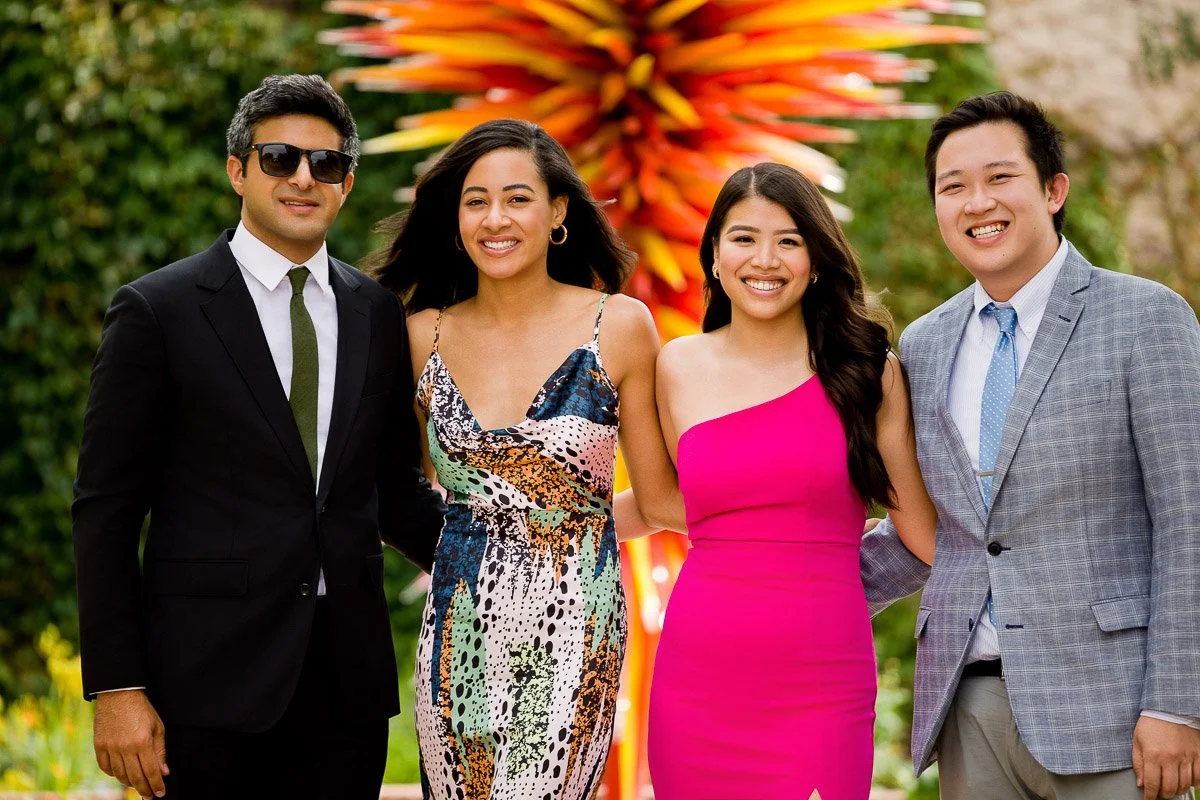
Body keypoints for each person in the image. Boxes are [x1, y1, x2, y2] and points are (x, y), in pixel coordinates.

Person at [72, 74, 446, 800]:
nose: (304, 177)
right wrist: (117, 685)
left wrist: (513, 561)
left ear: (346, 184)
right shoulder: (158, 310)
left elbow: (397, 492)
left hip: (347, 690)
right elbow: (106, 509)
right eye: (280, 158)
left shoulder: (376, 312)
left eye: (325, 163)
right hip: (204, 686)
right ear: (237, 171)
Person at [861, 91, 1200, 800]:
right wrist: (786, 583)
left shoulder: (1145, 318)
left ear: (1053, 190)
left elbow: (1188, 520)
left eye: (1000, 177)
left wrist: (1178, 704)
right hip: (970, 707)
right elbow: (941, 531)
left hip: (1116, 714)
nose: (977, 202)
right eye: (953, 186)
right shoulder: (924, 344)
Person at [371, 118, 682, 800]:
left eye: (517, 198)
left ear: (558, 210)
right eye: (476, 201)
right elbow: (395, 489)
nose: (495, 219)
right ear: (455, 219)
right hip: (457, 636)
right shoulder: (421, 334)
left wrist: (801, 520)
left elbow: (661, 500)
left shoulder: (619, 326)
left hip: (576, 632)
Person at [644, 162, 938, 799]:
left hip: (824, 679)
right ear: (714, 255)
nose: (765, 259)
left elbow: (925, 537)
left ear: (816, 260)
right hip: (698, 677)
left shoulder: (868, 370)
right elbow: (673, 502)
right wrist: (527, 519)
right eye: (744, 238)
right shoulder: (676, 366)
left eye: (788, 240)